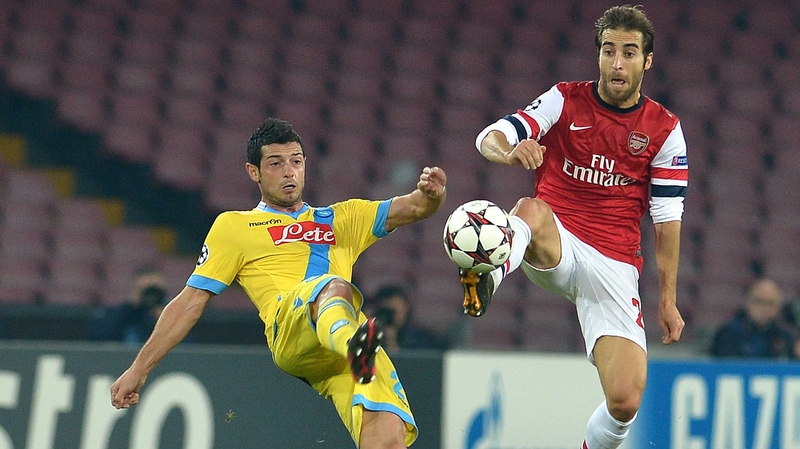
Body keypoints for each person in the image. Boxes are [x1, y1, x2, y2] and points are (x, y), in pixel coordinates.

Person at [109, 118, 447, 448]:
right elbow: (189, 302)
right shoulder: (234, 227)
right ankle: (355, 346)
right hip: (292, 328)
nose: (289, 171)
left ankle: (356, 350)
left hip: (341, 349)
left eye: (296, 161)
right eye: (276, 163)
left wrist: (431, 195)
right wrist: (140, 368)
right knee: (333, 286)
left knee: (388, 435)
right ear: (253, 172)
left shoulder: (344, 218)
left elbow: (415, 208)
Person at [457, 6, 686, 449]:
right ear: (598, 56)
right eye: (608, 51)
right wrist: (510, 152)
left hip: (615, 265)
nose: (617, 63)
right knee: (531, 208)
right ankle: (487, 277)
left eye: (629, 53)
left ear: (648, 61)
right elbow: (490, 135)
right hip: (554, 240)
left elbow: (667, 218)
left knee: (625, 401)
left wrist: (669, 299)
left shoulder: (665, 131)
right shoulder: (564, 100)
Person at [710, 278, 799, 359]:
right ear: (748, 303)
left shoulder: (785, 338)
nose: (764, 309)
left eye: (770, 303)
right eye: (759, 301)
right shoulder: (728, 334)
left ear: (778, 307)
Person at [89, 266, 169, 345]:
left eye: (155, 291)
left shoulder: (171, 314)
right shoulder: (122, 313)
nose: (151, 296)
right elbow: (101, 337)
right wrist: (129, 308)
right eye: (147, 291)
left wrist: (165, 320)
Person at [369, 284, 448, 352]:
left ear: (406, 308)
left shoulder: (420, 339)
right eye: (386, 312)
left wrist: (391, 342)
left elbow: (419, 363)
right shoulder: (369, 337)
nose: (390, 316)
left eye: (395, 312)